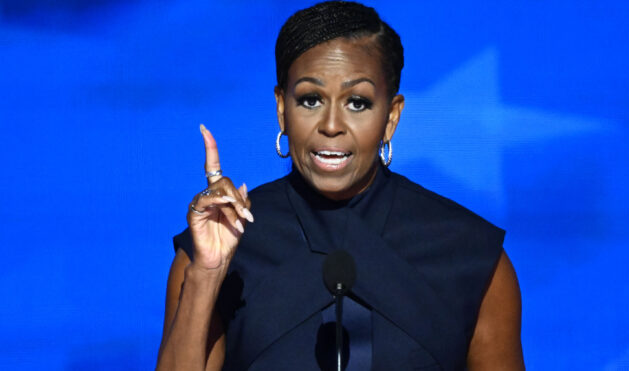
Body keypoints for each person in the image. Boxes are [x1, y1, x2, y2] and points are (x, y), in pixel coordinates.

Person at [156, 1, 524, 370]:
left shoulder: (471, 256)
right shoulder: (219, 243)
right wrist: (206, 277)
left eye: (358, 103)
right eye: (310, 100)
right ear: (282, 108)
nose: (331, 125)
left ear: (391, 117)